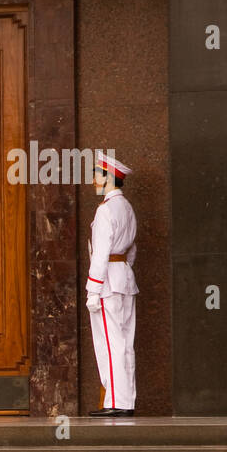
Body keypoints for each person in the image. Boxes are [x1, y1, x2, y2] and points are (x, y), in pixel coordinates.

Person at [85, 153, 137, 417]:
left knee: (110, 342)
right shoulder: (126, 207)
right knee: (126, 342)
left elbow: (101, 253)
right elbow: (132, 249)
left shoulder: (105, 210)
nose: (94, 178)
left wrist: (92, 289)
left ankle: (115, 402)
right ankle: (126, 400)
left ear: (108, 177)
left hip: (107, 282)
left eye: (97, 173)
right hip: (125, 278)